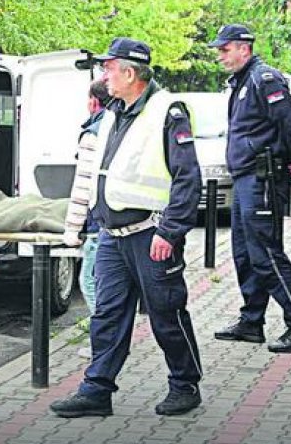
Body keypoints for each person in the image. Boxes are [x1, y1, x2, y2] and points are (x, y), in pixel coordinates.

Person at [50, 37, 203, 418]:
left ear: (130, 73)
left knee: (166, 314)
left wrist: (170, 232)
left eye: (109, 68)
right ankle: (96, 390)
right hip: (112, 237)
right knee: (107, 316)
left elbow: (188, 179)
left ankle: (185, 385)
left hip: (151, 235)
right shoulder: (113, 112)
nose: (104, 75)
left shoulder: (168, 111)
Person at [208, 24, 291, 353]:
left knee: (266, 254)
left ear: (244, 48)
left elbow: (290, 123)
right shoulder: (242, 81)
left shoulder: (264, 78)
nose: (220, 56)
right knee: (244, 254)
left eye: (225, 49)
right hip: (245, 178)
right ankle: (251, 321)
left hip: (262, 178)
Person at [63, 79, 110, 359]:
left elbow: (83, 187)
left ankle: (102, 345)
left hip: (96, 224)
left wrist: (71, 230)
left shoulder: (93, 135)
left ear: (93, 102)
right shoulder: (115, 125)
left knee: (90, 283)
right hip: (111, 220)